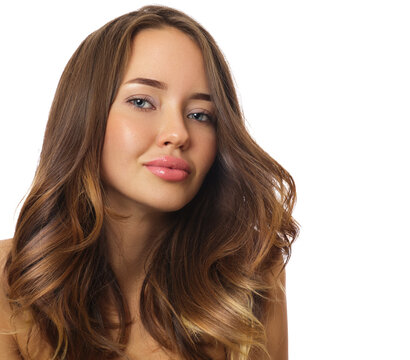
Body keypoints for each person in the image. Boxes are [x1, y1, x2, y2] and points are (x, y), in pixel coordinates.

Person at [0, 5, 298, 360]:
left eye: (200, 114)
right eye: (142, 101)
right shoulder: (12, 280)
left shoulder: (249, 277)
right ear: (85, 115)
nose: (177, 133)